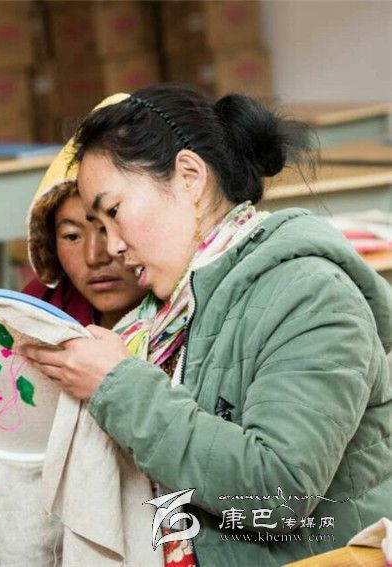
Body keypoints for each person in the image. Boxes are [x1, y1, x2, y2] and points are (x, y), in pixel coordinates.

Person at [22, 85, 392, 565]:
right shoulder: (169, 310)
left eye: (113, 213)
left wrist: (118, 385)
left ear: (190, 178)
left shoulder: (313, 294)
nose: (111, 246)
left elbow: (278, 493)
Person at [22, 146, 146, 328]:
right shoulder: (35, 311)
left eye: (107, 229)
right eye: (72, 236)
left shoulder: (187, 323)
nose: (93, 257)